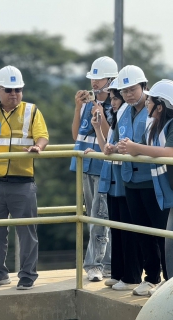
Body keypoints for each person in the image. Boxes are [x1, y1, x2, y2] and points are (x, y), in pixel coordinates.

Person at [0, 65, 49, 290]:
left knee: (26, 230)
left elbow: (42, 136)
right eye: (9, 90)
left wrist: (38, 147)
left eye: (18, 89)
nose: (14, 94)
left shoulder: (32, 111)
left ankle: (27, 274)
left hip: (22, 180)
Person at [107, 66, 169, 296]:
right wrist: (110, 147)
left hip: (152, 180)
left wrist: (133, 149)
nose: (128, 95)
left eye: (132, 89)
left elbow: (158, 146)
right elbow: (115, 139)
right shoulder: (123, 111)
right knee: (141, 231)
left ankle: (166, 279)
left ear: (144, 87)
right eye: (124, 91)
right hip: (129, 180)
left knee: (160, 232)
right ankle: (150, 277)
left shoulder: (156, 111)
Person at [84, 79, 143, 291]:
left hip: (125, 178)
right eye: (113, 98)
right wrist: (97, 129)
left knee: (128, 230)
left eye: (115, 98)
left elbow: (122, 147)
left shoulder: (129, 115)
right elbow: (108, 148)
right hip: (113, 178)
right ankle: (119, 273)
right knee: (117, 228)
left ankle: (132, 276)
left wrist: (109, 146)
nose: (114, 102)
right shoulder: (119, 116)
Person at [70, 56, 118, 281]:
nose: (94, 83)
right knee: (92, 215)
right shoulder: (87, 103)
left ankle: (94, 265)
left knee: (100, 216)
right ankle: (106, 263)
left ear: (111, 80)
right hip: (84, 165)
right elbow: (75, 135)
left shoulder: (116, 105)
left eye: (99, 78)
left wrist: (100, 114)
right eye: (93, 78)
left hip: (103, 166)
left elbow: (110, 136)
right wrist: (79, 107)